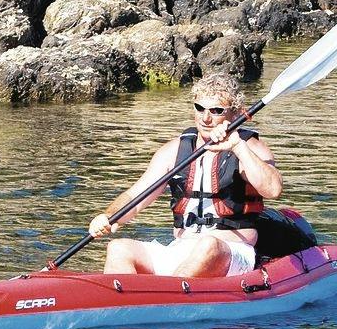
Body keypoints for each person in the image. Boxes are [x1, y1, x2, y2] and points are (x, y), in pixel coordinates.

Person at [87, 72, 283, 278]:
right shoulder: (174, 150)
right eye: (200, 108)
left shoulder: (250, 148)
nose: (206, 118)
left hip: (232, 252)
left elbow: (273, 189)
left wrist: (237, 147)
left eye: (216, 111)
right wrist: (108, 216)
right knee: (119, 248)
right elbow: (136, 197)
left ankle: (164, 299)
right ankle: (125, 304)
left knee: (208, 245)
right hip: (181, 247)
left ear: (235, 114)